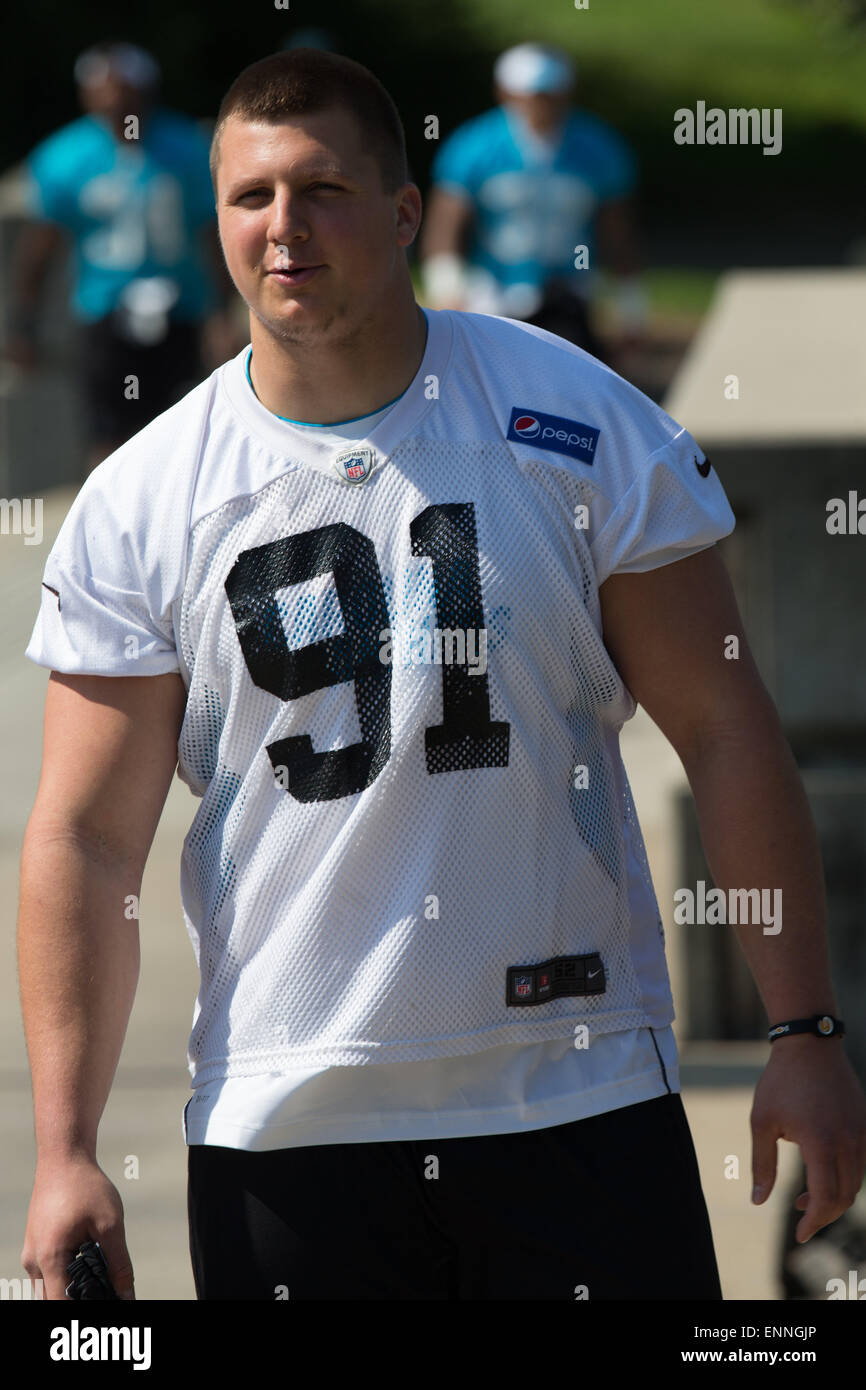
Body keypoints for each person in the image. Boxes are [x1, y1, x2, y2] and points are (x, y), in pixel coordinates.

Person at [18, 47, 866, 1302]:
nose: (284, 229)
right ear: (216, 221)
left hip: (575, 1089)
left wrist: (800, 1028)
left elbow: (722, 728)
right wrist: (63, 1148)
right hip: (287, 1118)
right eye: (251, 198)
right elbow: (84, 840)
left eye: (324, 191)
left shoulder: (575, 424)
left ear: (406, 211)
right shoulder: (147, 497)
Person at [7, 41, 240, 474]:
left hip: (181, 309)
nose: (119, 104)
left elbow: (214, 238)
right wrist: (23, 322)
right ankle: (113, 528)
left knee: (188, 427)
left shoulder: (187, 148)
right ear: (88, 96)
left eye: (127, 92)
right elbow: (40, 248)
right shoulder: (67, 156)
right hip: (105, 312)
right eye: (107, 92)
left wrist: (222, 313)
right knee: (109, 432)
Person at [420, 41, 646, 365]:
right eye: (530, 95)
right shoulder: (473, 146)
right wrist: (447, 287)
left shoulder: (599, 148)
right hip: (492, 291)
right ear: (505, 92)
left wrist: (631, 306)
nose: (540, 105)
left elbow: (618, 232)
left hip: (570, 291)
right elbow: (446, 225)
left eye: (549, 95)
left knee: (573, 385)